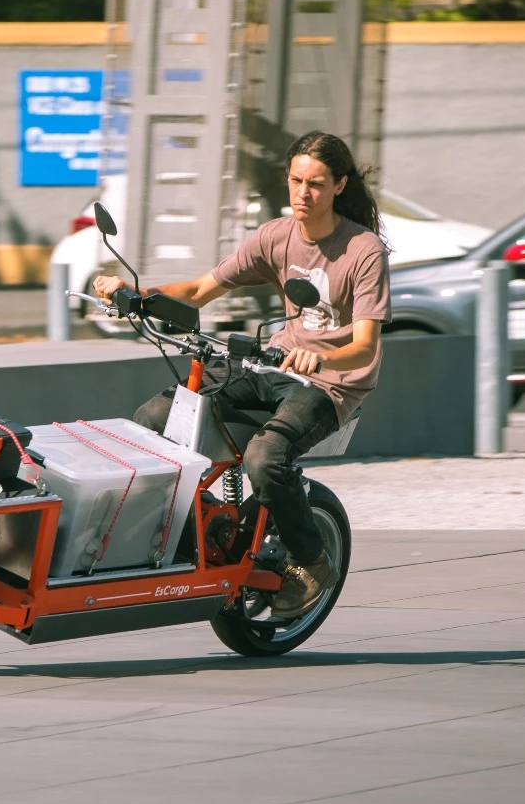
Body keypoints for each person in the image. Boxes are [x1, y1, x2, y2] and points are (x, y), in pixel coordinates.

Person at [92, 130, 389, 619]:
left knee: (265, 456)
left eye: (315, 183)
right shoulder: (276, 236)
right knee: (154, 417)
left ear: (339, 185)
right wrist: (138, 294)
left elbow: (364, 347)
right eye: (295, 180)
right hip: (271, 364)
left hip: (331, 385)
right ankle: (179, 537)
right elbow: (203, 287)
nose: (302, 193)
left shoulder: (363, 250)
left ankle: (312, 561)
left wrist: (322, 358)